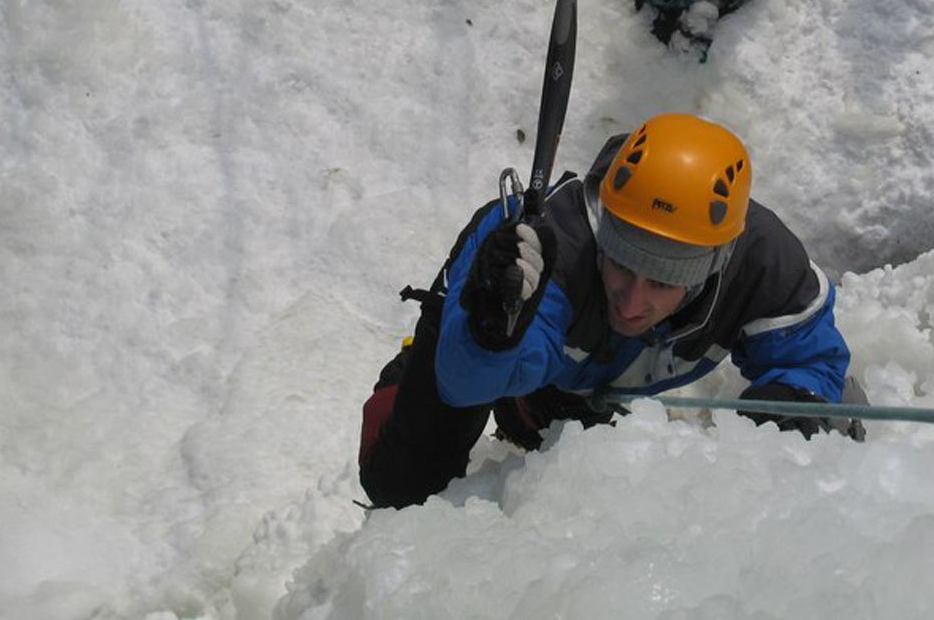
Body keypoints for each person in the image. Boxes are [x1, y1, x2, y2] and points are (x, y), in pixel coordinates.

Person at [358, 112, 860, 509]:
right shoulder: (555, 254)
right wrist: (491, 332)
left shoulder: (763, 264)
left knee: (597, 484)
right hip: (493, 304)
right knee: (402, 486)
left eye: (664, 279)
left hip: (593, 359)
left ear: (717, 262)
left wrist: (789, 411)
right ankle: (420, 365)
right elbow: (465, 384)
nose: (633, 301)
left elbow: (809, 359)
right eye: (621, 264)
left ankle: (541, 399)